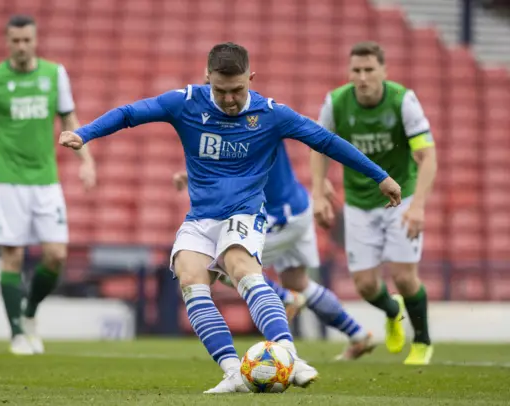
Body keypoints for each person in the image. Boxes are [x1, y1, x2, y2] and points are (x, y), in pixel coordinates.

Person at [59, 42, 401, 393]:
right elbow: (130, 113)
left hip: (245, 212)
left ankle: (289, 356)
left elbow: (326, 141)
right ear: (207, 78)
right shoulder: (185, 103)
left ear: (250, 78)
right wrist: (85, 134)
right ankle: (233, 372)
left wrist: (381, 176)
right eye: (220, 91)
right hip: (201, 217)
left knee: (239, 265)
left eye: (238, 89)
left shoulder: (271, 114)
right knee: (190, 277)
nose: (230, 99)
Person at [0, 15, 96, 355]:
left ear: (35, 41)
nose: (21, 46)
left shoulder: (54, 74)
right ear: (8, 42)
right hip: (7, 182)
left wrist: (87, 161)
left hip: (46, 181)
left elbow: (70, 120)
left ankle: (29, 311)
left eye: (26, 40)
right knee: (12, 256)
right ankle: (17, 333)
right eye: (15, 41)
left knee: (56, 255)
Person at [172, 141, 376, 361]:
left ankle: (287, 299)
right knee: (297, 281)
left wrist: (320, 184)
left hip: (278, 215)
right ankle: (358, 335)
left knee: (225, 265)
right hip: (298, 206)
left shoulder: (256, 121)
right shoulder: (256, 120)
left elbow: (318, 135)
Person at [310, 41, 437, 365]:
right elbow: (317, 144)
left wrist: (419, 205)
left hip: (401, 197)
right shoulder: (336, 102)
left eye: (369, 70)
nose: (363, 77)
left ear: (383, 71)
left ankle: (422, 342)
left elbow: (427, 155)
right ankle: (393, 311)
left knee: (405, 277)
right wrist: (319, 186)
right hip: (358, 201)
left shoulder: (402, 100)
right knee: (365, 285)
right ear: (349, 72)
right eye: (356, 70)